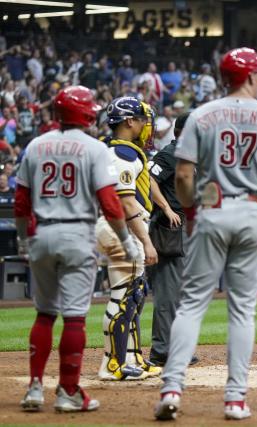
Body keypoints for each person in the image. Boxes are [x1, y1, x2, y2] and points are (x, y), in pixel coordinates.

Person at [154, 47, 257, 421]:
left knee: (192, 304)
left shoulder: (201, 115)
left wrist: (194, 211)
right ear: (249, 77)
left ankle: (171, 388)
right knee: (242, 310)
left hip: (212, 210)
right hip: (251, 210)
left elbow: (183, 175)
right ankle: (234, 399)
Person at [15, 86, 139, 413]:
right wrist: (127, 242)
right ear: (86, 112)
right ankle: (68, 391)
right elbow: (111, 204)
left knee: (44, 314)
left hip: (41, 233)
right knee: (73, 318)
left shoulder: (36, 145)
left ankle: (34, 389)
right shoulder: (95, 149)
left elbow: (21, 201)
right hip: (77, 234)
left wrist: (22, 239)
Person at [96, 96, 160, 381]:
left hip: (115, 225)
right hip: (120, 227)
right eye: (142, 119)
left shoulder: (113, 148)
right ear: (128, 121)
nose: (146, 125)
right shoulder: (123, 153)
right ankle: (112, 364)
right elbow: (126, 202)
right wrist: (146, 241)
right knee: (124, 297)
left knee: (134, 295)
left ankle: (133, 358)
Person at [147, 113, 198, 367]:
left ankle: (178, 347)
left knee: (182, 293)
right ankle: (161, 350)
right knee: (168, 292)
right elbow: (148, 180)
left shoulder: (189, 155)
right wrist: (166, 208)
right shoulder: (170, 153)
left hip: (187, 227)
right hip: (171, 228)